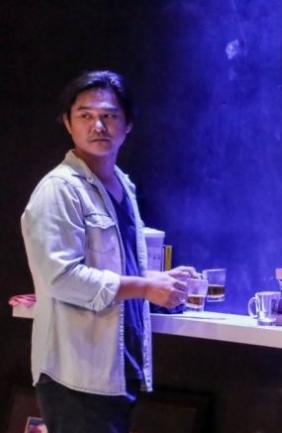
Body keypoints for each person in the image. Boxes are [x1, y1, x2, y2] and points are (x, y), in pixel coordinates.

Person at [20, 70, 197, 433]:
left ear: (128, 124)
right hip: (75, 374)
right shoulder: (59, 189)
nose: (98, 125)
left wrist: (157, 278)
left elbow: (110, 263)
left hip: (115, 369)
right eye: (85, 115)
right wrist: (145, 288)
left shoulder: (121, 184)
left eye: (109, 115)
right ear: (68, 123)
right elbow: (62, 278)